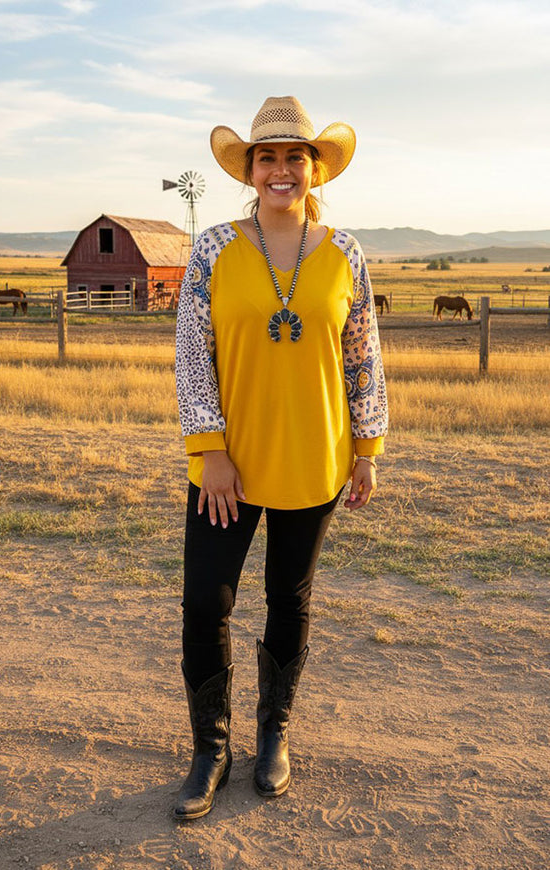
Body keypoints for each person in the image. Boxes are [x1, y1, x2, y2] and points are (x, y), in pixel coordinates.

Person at [174, 96, 388, 821]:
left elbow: (361, 356)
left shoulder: (345, 252)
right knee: (207, 600)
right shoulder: (213, 248)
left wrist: (366, 447)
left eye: (295, 157)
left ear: (315, 168)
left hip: (315, 458)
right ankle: (211, 747)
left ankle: (274, 735)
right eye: (267, 157)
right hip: (227, 467)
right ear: (250, 170)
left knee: (288, 601)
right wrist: (212, 449)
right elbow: (192, 356)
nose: (281, 170)